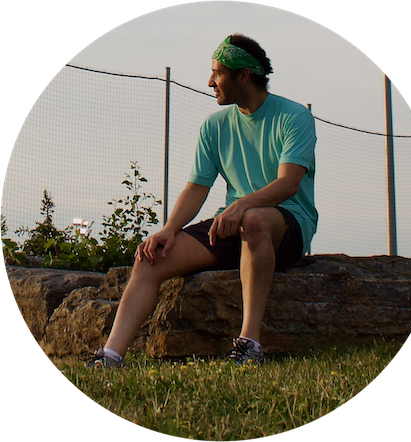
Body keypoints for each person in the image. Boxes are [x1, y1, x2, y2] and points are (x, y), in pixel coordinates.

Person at [89, 34, 318, 369]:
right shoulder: (215, 126)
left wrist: (242, 206)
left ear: (242, 76)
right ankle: (110, 357)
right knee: (152, 256)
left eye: (217, 73)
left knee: (254, 219)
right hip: (233, 224)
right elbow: (197, 188)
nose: (210, 82)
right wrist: (168, 229)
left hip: (286, 223)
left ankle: (249, 346)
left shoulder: (294, 117)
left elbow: (288, 184)